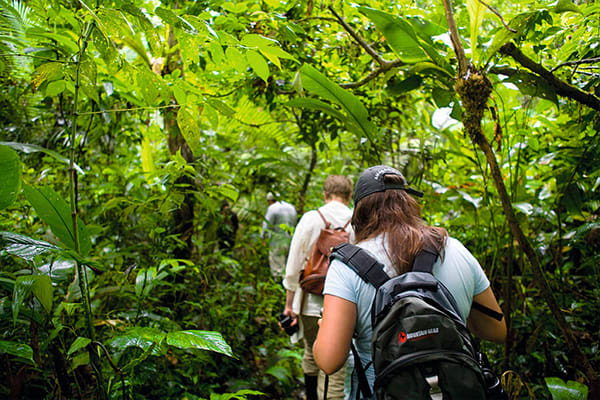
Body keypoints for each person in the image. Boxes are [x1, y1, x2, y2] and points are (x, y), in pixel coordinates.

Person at [313, 165, 507, 399]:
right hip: (456, 389)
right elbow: (497, 330)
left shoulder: (346, 267)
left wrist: (326, 326)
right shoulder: (454, 249)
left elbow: (329, 360)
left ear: (360, 212)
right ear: (409, 202)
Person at [282, 175, 354, 400]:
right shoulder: (357, 220)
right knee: (337, 365)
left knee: (311, 352)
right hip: (344, 304)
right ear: (349, 196)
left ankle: (310, 396)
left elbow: (293, 265)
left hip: (309, 302)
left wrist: (289, 305)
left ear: (324, 194)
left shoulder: (311, 218)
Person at [261, 192, 297, 278]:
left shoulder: (272, 208)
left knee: (276, 264)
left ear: (270, 201)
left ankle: (278, 284)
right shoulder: (291, 207)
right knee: (288, 264)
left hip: (276, 241)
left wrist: (263, 237)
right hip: (290, 240)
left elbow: (266, 225)